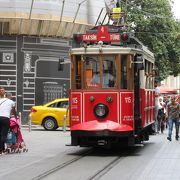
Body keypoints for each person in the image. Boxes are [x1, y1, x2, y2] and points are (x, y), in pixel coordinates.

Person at [0, 87, 17, 155]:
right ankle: (1, 150)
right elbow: (14, 111)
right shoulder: (11, 102)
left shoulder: (0, 100)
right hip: (5, 119)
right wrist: (16, 117)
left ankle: (2, 148)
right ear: (10, 96)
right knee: (3, 135)